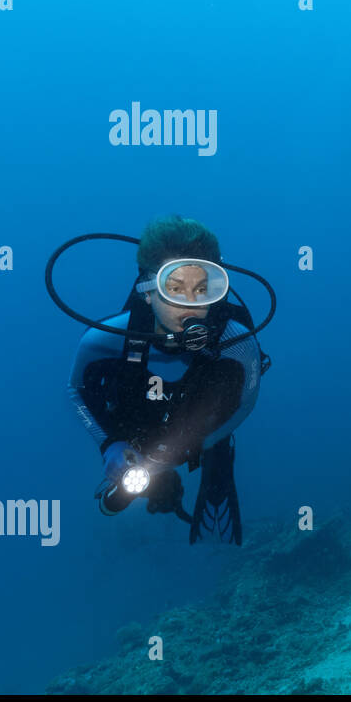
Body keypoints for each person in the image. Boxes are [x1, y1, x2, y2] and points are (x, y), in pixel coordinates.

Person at [64, 215, 268, 544]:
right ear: (147, 291)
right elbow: (76, 392)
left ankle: (209, 461)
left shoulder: (237, 341)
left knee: (213, 458)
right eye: (174, 288)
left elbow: (244, 403)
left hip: (199, 431)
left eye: (203, 289)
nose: (191, 304)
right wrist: (109, 445)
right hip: (137, 435)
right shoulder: (102, 340)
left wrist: (198, 445)